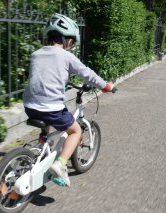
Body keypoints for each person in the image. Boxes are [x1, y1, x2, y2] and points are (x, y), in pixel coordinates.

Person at [23, 13, 114, 187]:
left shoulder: (36, 54)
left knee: (47, 111)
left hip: (29, 105)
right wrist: (105, 85)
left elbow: (41, 76)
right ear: (67, 41)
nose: (71, 47)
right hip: (50, 107)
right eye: (72, 43)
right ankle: (61, 164)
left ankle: (43, 138)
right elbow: (87, 73)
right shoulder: (66, 56)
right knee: (75, 131)